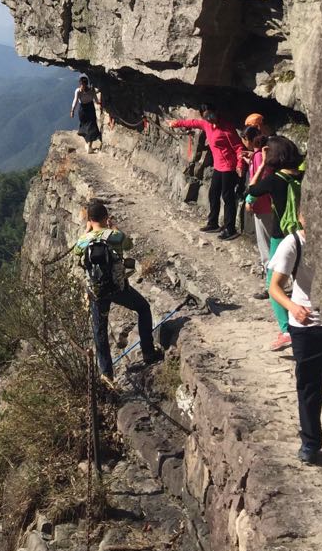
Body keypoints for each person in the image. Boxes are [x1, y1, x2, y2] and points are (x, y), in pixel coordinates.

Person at [269, 217, 322, 464]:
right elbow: (275, 287)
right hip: (307, 328)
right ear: (302, 215)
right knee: (310, 389)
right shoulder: (293, 244)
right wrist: (293, 306)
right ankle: (310, 444)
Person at [74, 199, 161, 380]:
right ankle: (148, 353)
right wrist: (114, 228)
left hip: (97, 292)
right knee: (143, 308)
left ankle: (107, 376)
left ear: (89, 220)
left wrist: (87, 232)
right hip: (118, 288)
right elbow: (128, 245)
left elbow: (77, 252)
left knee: (100, 331)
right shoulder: (115, 236)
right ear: (106, 217)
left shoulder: (83, 241)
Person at [246, 135, 304, 351]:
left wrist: (260, 165)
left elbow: (251, 190)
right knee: (302, 282)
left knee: (274, 285)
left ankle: (286, 330)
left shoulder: (274, 179)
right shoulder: (303, 176)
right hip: (305, 235)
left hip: (282, 237)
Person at [167, 104, 244, 240]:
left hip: (229, 168)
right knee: (213, 194)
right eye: (206, 116)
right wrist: (176, 123)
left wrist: (240, 165)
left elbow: (239, 148)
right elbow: (192, 122)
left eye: (211, 115)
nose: (209, 118)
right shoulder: (206, 124)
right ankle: (213, 223)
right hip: (218, 167)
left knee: (227, 197)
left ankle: (230, 228)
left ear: (216, 112)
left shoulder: (227, 128)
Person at [241, 126, 273, 279]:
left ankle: (270, 282)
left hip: (263, 206)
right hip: (264, 205)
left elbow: (260, 180)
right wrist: (250, 159)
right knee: (265, 243)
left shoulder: (260, 157)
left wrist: (251, 200)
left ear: (249, 140)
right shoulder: (258, 155)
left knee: (265, 245)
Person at [70, 76, 102, 154]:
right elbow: (75, 100)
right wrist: (72, 110)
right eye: (81, 85)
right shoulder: (78, 91)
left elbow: (96, 100)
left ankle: (89, 146)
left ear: (85, 84)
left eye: (82, 85)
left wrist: (100, 103)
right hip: (83, 110)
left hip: (89, 109)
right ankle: (88, 145)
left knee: (92, 127)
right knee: (85, 127)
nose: (81, 87)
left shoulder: (91, 90)